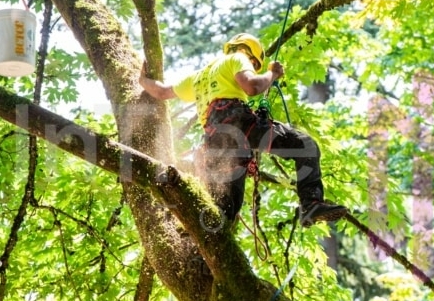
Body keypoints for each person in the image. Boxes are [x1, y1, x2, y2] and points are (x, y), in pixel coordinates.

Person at [139, 33, 347, 228]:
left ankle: (198, 240)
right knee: (305, 145)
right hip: (237, 123)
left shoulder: (199, 77)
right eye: (255, 64)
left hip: (215, 141)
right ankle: (310, 204)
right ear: (249, 54)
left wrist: (142, 81)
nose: (252, 67)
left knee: (223, 212)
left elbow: (162, 91)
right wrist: (272, 74)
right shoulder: (237, 58)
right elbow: (252, 86)